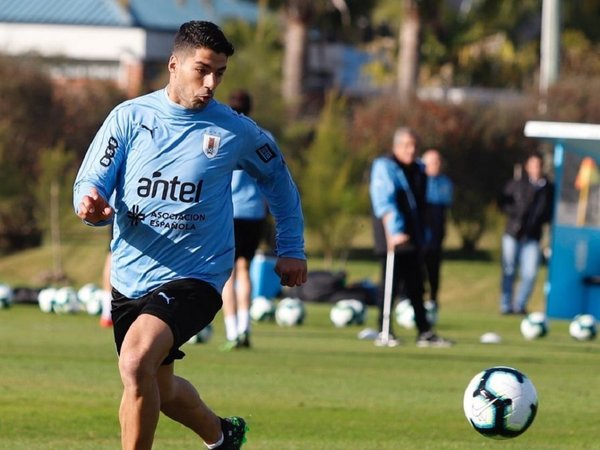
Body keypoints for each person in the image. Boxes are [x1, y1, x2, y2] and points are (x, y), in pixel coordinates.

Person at [73, 20, 307, 450]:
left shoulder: (235, 130)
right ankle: (222, 436)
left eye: (220, 72)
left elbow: (279, 180)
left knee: (136, 361)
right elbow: (90, 182)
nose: (212, 82)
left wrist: (291, 247)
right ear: (173, 65)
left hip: (197, 275)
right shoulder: (129, 118)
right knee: (159, 387)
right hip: (130, 278)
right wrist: (90, 204)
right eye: (203, 69)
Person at [369, 127, 453, 348]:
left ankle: (424, 331)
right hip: (392, 234)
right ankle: (384, 330)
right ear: (396, 147)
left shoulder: (419, 170)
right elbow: (384, 201)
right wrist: (395, 231)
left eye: (414, 145)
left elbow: (422, 205)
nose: (411, 149)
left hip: (414, 236)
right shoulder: (385, 166)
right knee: (391, 283)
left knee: (417, 284)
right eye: (406, 145)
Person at [220, 89, 268, 350]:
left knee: (227, 275)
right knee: (244, 270)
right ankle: (245, 327)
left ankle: (231, 331)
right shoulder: (262, 137)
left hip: (229, 212)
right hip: (254, 212)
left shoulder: (223, 135)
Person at [498, 151, 554, 315]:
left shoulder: (548, 188)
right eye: (533, 165)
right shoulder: (517, 184)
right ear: (528, 167)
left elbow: (549, 212)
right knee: (509, 270)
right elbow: (503, 202)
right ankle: (506, 305)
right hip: (513, 234)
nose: (536, 168)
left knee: (529, 273)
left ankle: (520, 305)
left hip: (532, 236)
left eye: (539, 165)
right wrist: (515, 213)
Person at [421, 149, 453, 308]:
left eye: (438, 162)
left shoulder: (445, 183)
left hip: (436, 234)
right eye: (433, 162)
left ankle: (433, 300)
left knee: (434, 269)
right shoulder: (418, 180)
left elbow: (445, 208)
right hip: (419, 235)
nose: (437, 165)